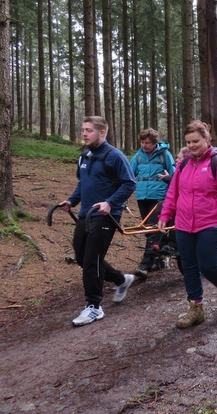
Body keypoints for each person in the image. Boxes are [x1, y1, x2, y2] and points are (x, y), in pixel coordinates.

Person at [158, 121, 217, 329]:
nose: (192, 145)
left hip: (211, 222)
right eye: (188, 142)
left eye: (196, 141)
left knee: (208, 264)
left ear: (206, 139)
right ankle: (196, 309)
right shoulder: (183, 164)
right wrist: (165, 214)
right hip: (184, 223)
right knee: (189, 266)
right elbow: (173, 193)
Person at [57, 116, 137, 326]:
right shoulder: (84, 156)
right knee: (83, 258)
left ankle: (94, 306)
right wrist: (72, 201)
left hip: (106, 216)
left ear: (102, 133)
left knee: (92, 260)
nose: (84, 133)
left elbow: (129, 184)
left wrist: (110, 203)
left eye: (89, 130)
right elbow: (83, 183)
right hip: (86, 214)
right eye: (83, 129)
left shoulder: (115, 156)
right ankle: (121, 280)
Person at [130, 128, 175, 280]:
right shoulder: (138, 156)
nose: (144, 145)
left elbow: (174, 175)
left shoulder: (164, 155)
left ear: (154, 143)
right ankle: (159, 258)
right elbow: (129, 174)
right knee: (149, 231)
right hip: (142, 196)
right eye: (142, 142)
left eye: (147, 143)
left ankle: (145, 265)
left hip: (159, 197)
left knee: (154, 228)